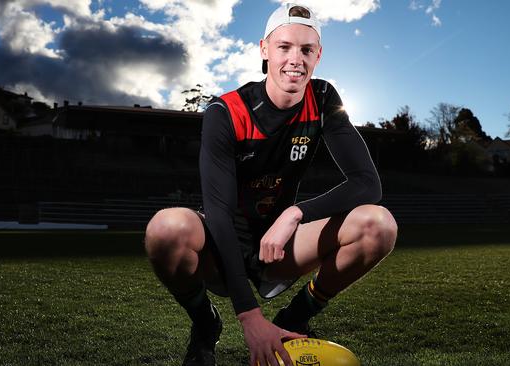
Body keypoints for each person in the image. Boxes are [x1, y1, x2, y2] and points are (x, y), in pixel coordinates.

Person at [144, 3, 398, 366]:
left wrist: (295, 213)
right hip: (220, 247)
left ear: (318, 55)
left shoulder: (323, 99)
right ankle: (205, 324)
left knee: (379, 224)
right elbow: (216, 214)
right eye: (284, 47)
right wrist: (249, 315)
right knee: (165, 229)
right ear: (264, 49)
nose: (296, 59)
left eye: (306, 49)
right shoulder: (226, 111)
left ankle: (295, 318)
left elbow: (367, 184)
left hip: (280, 248)